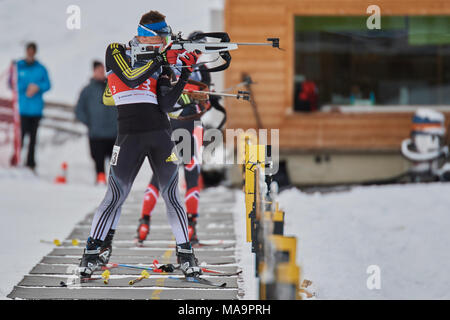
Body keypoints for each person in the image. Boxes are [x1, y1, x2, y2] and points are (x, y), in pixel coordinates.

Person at [78, 10, 202, 279]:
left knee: (172, 197)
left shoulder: (161, 62)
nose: (166, 43)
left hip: (160, 135)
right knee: (114, 197)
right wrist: (159, 60)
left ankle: (186, 253)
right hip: (129, 137)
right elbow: (131, 77)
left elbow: (167, 104)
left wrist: (183, 72)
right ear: (149, 36)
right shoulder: (117, 50)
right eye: (162, 38)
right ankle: (91, 253)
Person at [136, 31, 211, 247]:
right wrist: (194, 101)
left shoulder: (176, 64)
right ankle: (190, 226)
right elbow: (204, 103)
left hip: (171, 125)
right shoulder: (198, 69)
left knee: (161, 175)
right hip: (189, 125)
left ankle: (144, 221)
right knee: (191, 175)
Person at [75, 61, 117, 185]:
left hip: (114, 132)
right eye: (98, 70)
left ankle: (115, 182)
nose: (101, 72)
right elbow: (79, 110)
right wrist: (90, 123)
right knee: (98, 159)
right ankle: (100, 181)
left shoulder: (112, 87)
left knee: (115, 161)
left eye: (102, 69)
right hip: (96, 134)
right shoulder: (87, 90)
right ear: (93, 71)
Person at [13, 42, 51, 170]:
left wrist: (37, 87)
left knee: (33, 139)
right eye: (28, 50)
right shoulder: (18, 66)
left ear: (35, 52)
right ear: (26, 51)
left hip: (36, 110)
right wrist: (25, 88)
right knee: (20, 137)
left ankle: (30, 163)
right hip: (22, 109)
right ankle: (16, 160)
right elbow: (11, 83)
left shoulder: (41, 68)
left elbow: (48, 84)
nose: (30, 53)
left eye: (32, 51)